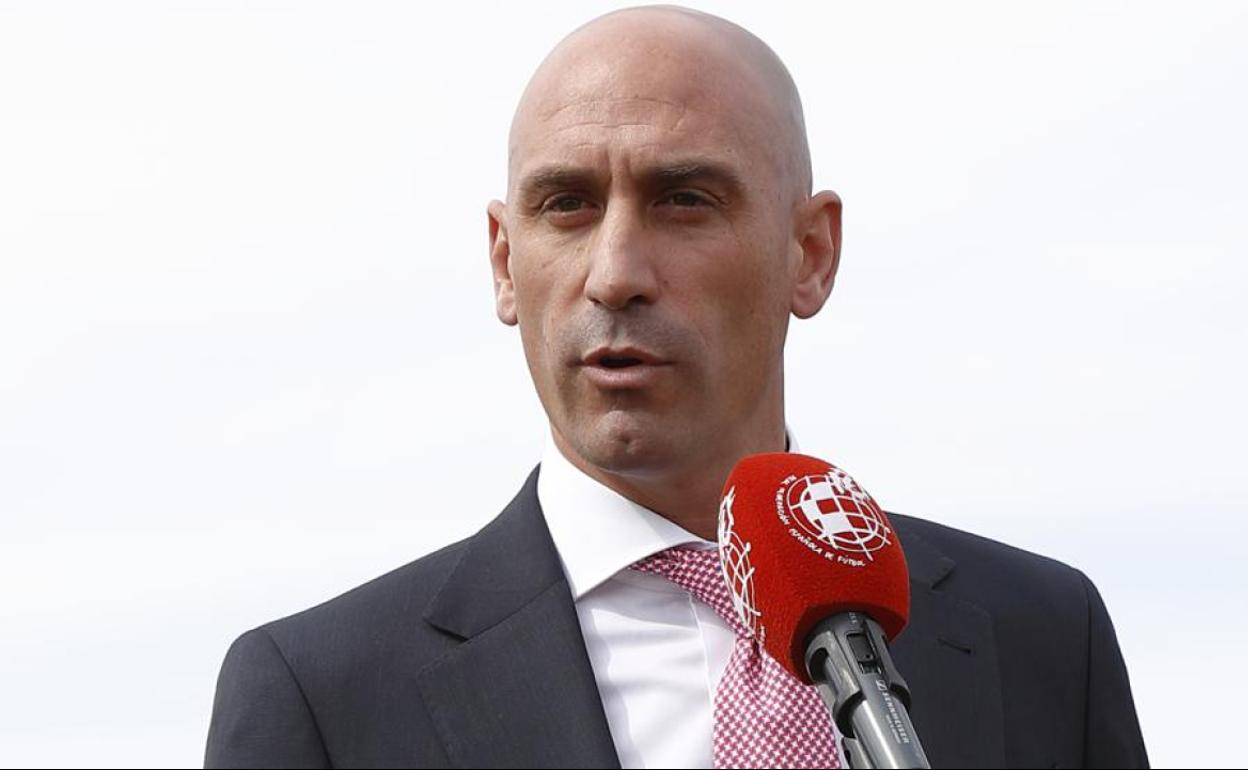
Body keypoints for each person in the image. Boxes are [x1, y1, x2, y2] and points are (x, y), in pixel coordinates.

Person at [205, 6, 1149, 768]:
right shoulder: (323, 700)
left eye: (684, 199)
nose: (615, 273)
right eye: (566, 205)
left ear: (810, 253)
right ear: (504, 261)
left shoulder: (1039, 637)